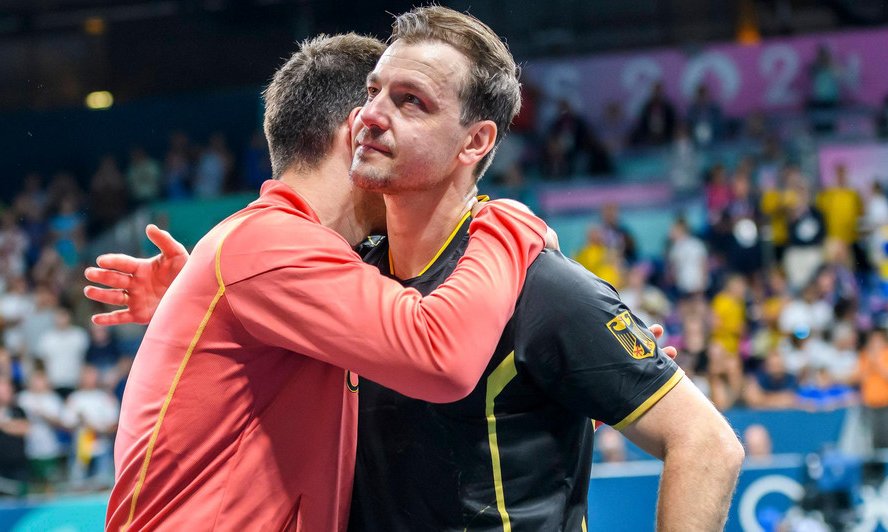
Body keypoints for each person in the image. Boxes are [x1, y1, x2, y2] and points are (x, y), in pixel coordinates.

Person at [92, 8, 742, 531]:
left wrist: (582, 359)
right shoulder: (336, 268)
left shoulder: (538, 285)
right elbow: (437, 355)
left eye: (410, 101)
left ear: (475, 141)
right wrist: (507, 220)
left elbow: (708, 444)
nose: (376, 114)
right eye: (373, 93)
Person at [86, 34, 550, 531]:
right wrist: (507, 224)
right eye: (387, 106)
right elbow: (441, 356)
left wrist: (554, 365)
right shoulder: (271, 245)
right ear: (360, 132)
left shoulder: (274, 253)